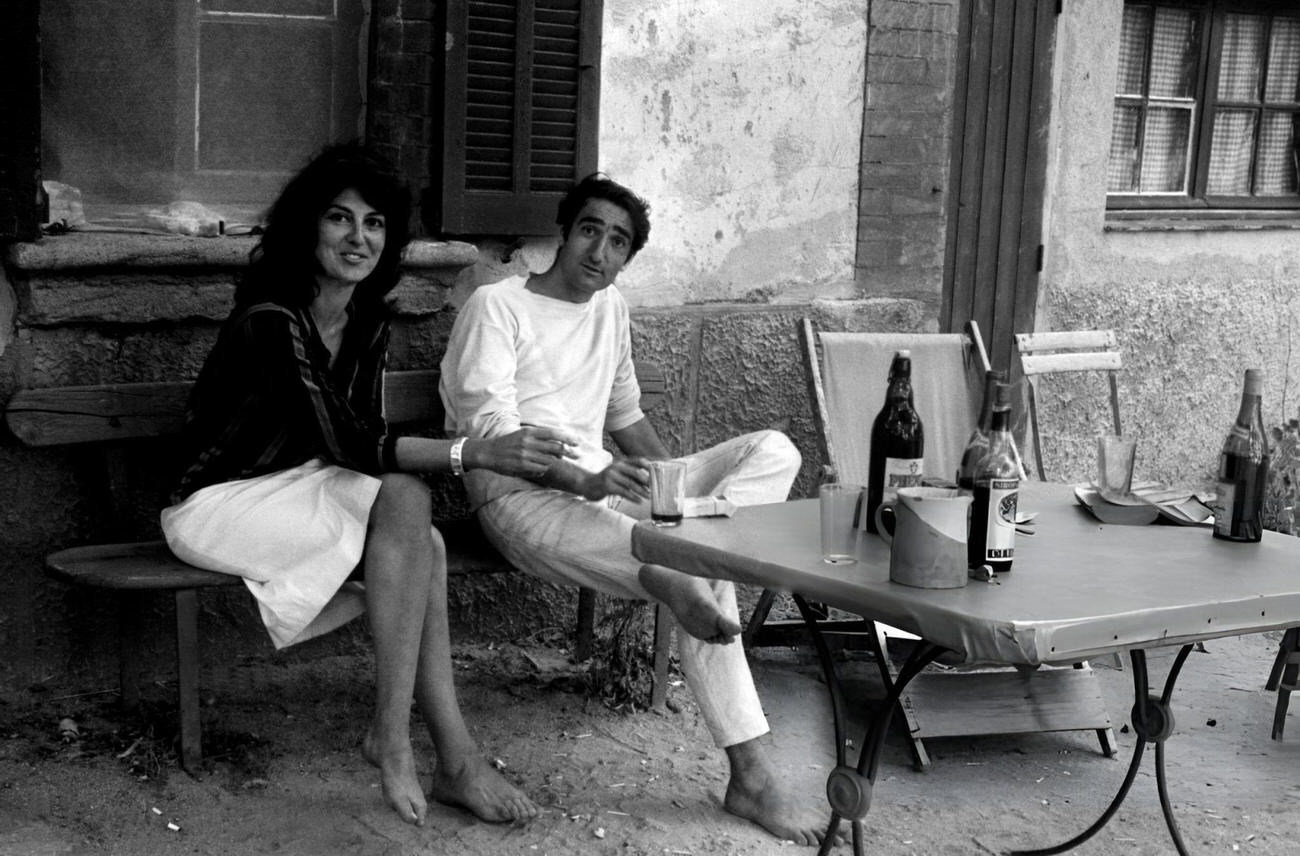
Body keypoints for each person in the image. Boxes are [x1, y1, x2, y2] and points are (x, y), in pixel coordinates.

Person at [159, 142, 579, 827]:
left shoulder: (369, 323)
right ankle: (396, 736)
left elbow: (365, 451)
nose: (359, 238)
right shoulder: (273, 320)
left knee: (424, 536)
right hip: (217, 506)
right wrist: (478, 453)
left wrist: (452, 460)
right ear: (308, 227)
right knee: (414, 514)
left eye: (375, 223)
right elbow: (352, 442)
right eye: (340, 219)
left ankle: (452, 758)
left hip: (303, 487)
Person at [439, 173, 833, 846]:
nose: (600, 251)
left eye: (618, 242)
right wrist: (586, 478)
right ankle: (753, 774)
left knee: (773, 450)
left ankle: (697, 541)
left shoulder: (610, 308)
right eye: (590, 230)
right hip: (521, 500)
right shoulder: (496, 306)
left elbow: (626, 417)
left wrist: (663, 484)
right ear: (563, 233)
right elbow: (493, 437)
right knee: (701, 568)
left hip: (611, 488)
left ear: (627, 257)